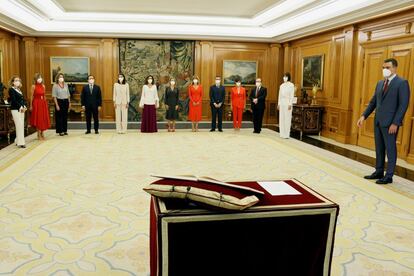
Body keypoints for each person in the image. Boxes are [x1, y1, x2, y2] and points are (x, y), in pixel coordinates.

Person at [357, 58, 410, 184]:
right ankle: (379, 171)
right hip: (378, 122)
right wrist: (363, 116)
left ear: (395, 68)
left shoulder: (402, 83)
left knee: (390, 149)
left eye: (388, 67)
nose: (385, 70)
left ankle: (389, 176)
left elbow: (403, 105)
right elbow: (373, 102)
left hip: (391, 123)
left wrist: (396, 123)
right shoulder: (380, 83)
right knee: (379, 148)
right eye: (383, 67)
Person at [29, 73, 50, 140]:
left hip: (43, 103)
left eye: (40, 77)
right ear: (35, 79)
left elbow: (44, 95)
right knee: (38, 118)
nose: (40, 79)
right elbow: (31, 96)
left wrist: (45, 103)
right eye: (38, 78)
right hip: (36, 103)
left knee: (43, 118)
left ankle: (42, 132)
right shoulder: (33, 86)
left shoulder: (43, 86)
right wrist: (31, 105)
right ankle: (38, 133)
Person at [8, 76, 27, 148]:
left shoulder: (19, 90)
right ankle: (21, 143)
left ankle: (17, 140)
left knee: (21, 125)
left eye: (18, 80)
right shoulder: (11, 90)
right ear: (13, 82)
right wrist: (20, 106)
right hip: (15, 109)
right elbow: (14, 100)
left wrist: (24, 106)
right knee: (19, 125)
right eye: (16, 80)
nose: (17, 82)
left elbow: (23, 100)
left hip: (22, 109)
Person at [278, 73, 295, 138]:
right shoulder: (281, 85)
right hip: (282, 102)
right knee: (281, 118)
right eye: (284, 76)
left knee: (287, 118)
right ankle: (282, 133)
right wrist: (279, 104)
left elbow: (292, 95)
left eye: (285, 76)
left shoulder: (291, 85)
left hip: (288, 102)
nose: (284, 78)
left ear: (288, 77)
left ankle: (287, 134)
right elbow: (279, 95)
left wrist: (290, 104)